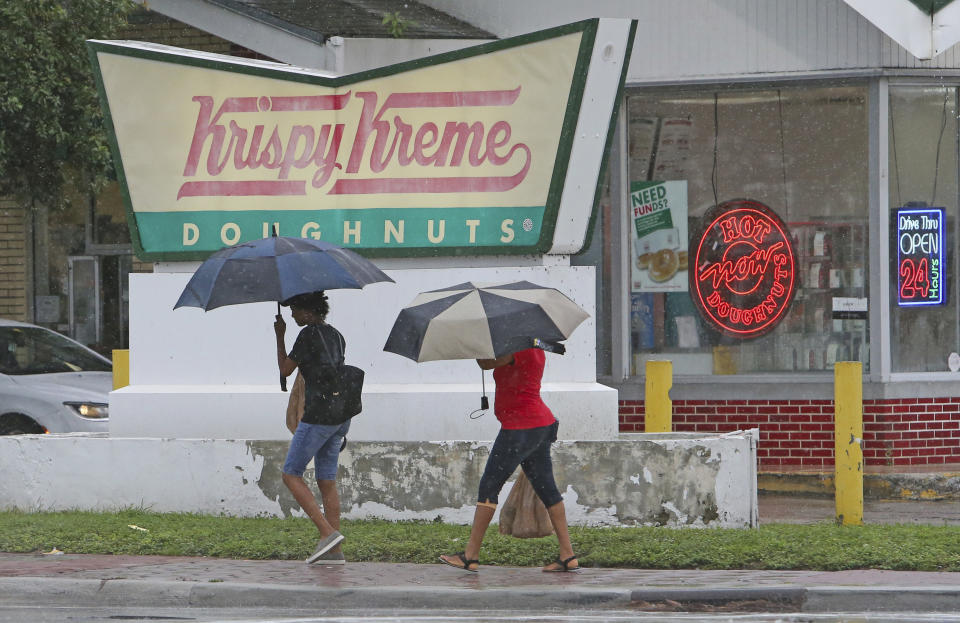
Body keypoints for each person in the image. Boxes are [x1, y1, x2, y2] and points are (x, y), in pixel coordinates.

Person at [439, 347, 579, 573]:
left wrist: (476, 343)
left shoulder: (517, 349)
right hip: (539, 424)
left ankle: (470, 556)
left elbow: (485, 363)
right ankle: (568, 555)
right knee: (547, 489)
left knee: (489, 486)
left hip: (520, 428)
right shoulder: (536, 347)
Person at [274, 290, 349, 565]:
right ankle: (335, 553)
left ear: (308, 311)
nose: (292, 314)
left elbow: (285, 370)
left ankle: (327, 534)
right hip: (341, 415)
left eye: (295, 309)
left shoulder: (307, 335)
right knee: (326, 480)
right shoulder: (337, 335)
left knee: (291, 474)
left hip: (317, 415)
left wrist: (279, 336)